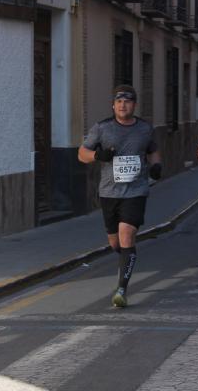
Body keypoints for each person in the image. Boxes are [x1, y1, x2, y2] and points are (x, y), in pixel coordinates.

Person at [78, 84, 162, 308]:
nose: (123, 105)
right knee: (116, 242)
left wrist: (156, 166)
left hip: (136, 191)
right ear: (113, 105)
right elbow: (82, 154)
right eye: (119, 101)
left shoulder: (145, 128)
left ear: (134, 104)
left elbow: (152, 149)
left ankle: (122, 290)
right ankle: (124, 258)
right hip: (109, 192)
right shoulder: (102, 128)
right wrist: (98, 154)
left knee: (127, 234)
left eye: (128, 101)